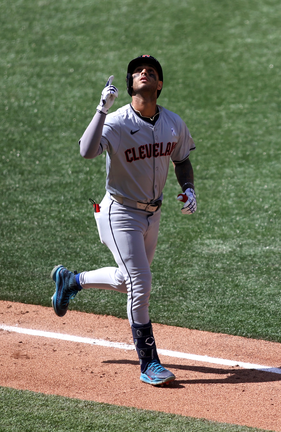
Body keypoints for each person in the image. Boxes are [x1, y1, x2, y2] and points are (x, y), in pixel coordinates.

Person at [50, 55, 197, 386]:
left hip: (153, 214)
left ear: (160, 84)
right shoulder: (116, 122)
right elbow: (86, 151)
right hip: (118, 212)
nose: (144, 72)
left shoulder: (173, 123)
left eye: (151, 71)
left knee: (127, 280)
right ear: (130, 85)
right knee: (140, 283)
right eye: (138, 71)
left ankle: (71, 281)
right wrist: (101, 109)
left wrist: (188, 189)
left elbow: (182, 160)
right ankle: (149, 363)